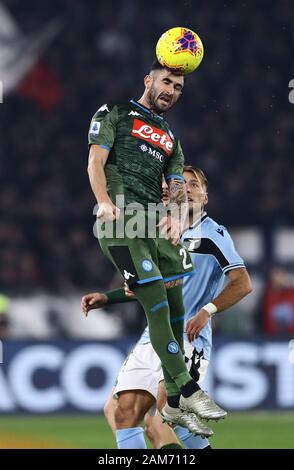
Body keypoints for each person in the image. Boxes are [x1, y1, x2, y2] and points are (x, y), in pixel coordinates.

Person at [87, 61, 226, 449]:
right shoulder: (114, 112)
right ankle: (184, 390)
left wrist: (179, 217)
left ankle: (181, 398)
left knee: (171, 305)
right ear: (148, 80)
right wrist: (103, 202)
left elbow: (178, 185)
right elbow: (95, 160)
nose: (171, 91)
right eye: (166, 82)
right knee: (160, 310)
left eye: (178, 87)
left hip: (155, 231)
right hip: (123, 223)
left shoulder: (170, 138)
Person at [82, 166, 252, 449]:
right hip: (155, 334)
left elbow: (243, 283)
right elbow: (153, 288)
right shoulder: (158, 231)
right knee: (120, 412)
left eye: (194, 184)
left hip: (188, 338)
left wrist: (207, 310)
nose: (186, 188)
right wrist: (109, 297)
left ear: (206, 197)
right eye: (180, 183)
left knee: (161, 422)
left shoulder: (213, 235)